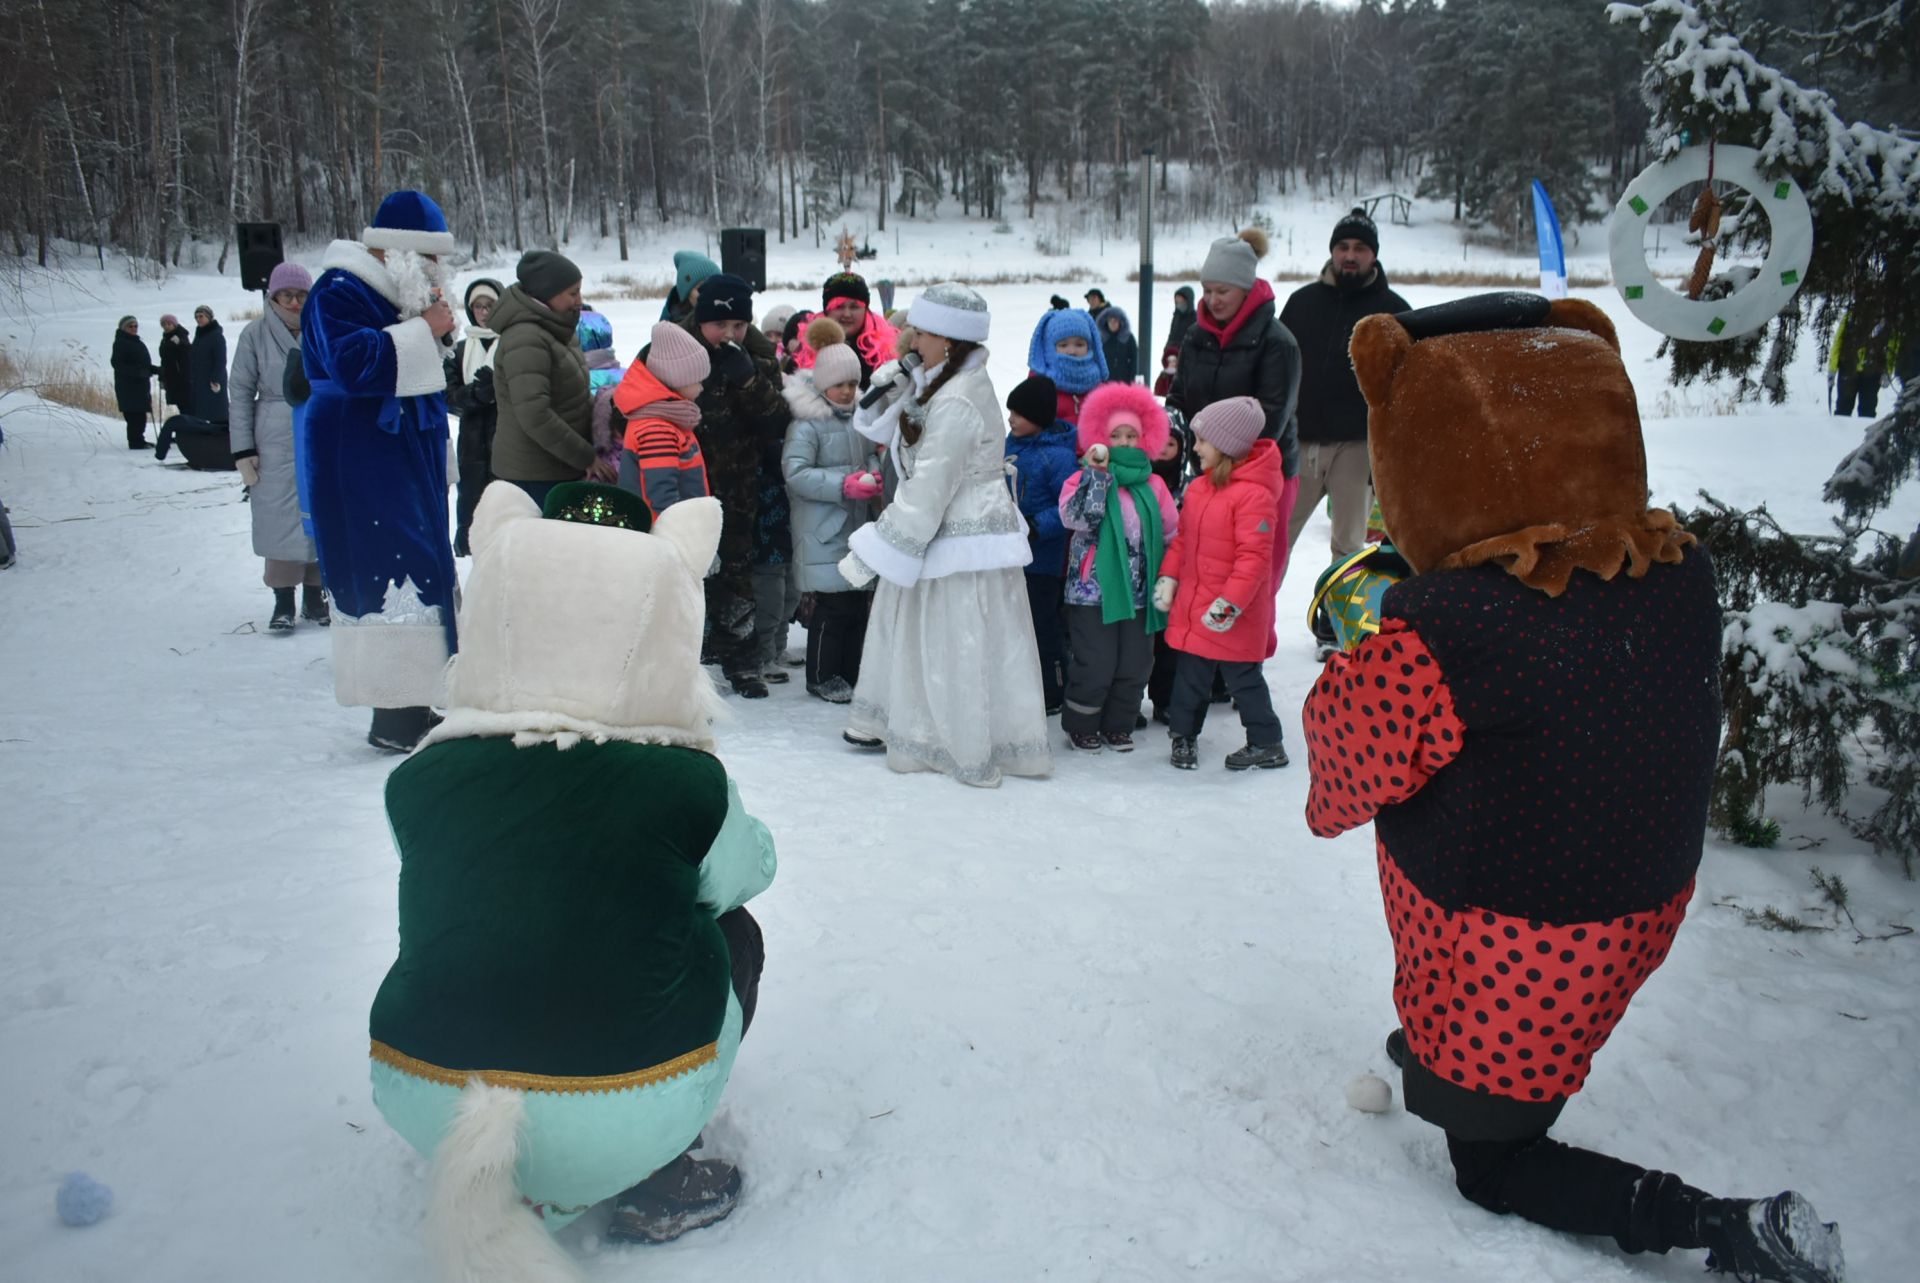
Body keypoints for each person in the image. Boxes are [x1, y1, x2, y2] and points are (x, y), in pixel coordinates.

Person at [1308, 293, 1846, 1283]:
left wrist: (1354, 660)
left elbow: (1342, 783)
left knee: (1493, 1160)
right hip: (1640, 901)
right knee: (1483, 1051)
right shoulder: (1678, 570)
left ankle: (1720, 1223)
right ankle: (1453, 1066)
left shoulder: (1451, 625)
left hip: (1510, 931)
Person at [369, 482, 775, 1275]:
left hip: (425, 1092)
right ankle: (652, 1174)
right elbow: (748, 871)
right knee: (734, 934)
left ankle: (498, 1148)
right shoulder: (680, 783)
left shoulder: (422, 777)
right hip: (618, 1103)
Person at [838, 283, 1052, 787]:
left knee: (955, 635)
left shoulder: (957, 399)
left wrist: (877, 549)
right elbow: (873, 427)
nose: (912, 335)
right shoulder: (936, 381)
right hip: (940, 527)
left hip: (959, 534)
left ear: (950, 340)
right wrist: (895, 380)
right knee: (921, 627)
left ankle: (954, 738)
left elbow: (932, 485)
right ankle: (904, 721)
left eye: (924, 329)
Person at [302, 189, 462, 754]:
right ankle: (394, 713)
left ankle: (420, 697)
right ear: (399, 254)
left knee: (418, 559)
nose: (436, 273)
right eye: (429, 261)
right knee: (385, 567)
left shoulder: (390, 292)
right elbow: (350, 365)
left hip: (394, 450)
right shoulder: (339, 289)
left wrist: (430, 329)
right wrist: (424, 329)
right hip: (357, 453)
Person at [642, 271, 791, 698]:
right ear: (700, 319)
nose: (729, 334)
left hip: (737, 488)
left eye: (739, 326)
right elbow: (629, 405)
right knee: (681, 571)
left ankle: (741, 662)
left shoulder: (755, 359)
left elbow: (777, 420)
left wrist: (749, 379)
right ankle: (682, 657)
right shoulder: (667, 352)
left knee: (736, 575)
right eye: (720, 325)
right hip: (678, 486)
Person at [1280, 207, 1410, 639]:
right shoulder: (1302, 302)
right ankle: (1250, 628)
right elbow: (1280, 368)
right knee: (1276, 539)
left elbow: (1408, 384)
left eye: (1359, 248)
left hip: (1357, 447)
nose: (1350, 256)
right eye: (1343, 247)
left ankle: (1340, 630)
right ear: (1332, 252)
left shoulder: (1392, 311)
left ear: (1374, 255)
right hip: (1299, 443)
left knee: (1349, 548)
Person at [1165, 227, 1302, 631]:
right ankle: (1211, 651)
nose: (1212, 299)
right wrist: (1170, 438)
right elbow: (1179, 396)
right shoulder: (1195, 336)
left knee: (1253, 566)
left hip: (1262, 474)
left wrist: (1223, 460)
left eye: (1222, 290)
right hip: (1206, 469)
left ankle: (1249, 652)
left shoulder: (1278, 343)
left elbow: (1272, 417)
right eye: (1207, 290)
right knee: (1208, 563)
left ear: (1246, 288)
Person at [1152, 396, 1286, 771]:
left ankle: (1267, 742)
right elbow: (1183, 540)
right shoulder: (1199, 489)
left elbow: (1254, 561)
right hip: (1197, 605)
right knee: (1189, 678)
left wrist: (1229, 604)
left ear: (1226, 446)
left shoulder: (1254, 496)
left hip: (1233, 612)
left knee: (1243, 679)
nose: (1194, 448)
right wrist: (1169, 576)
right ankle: (1183, 737)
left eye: (1202, 441)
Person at [1057, 383, 1178, 752]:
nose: (1124, 442)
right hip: (1092, 590)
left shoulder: (1154, 484)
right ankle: (1083, 723)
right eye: (1115, 435)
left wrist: (1169, 575)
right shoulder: (1082, 478)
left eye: (1132, 435)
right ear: (1099, 437)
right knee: (1096, 661)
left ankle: (1119, 723)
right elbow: (1075, 518)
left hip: (1141, 593)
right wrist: (1097, 477)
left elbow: (1173, 532)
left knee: (1136, 664)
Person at [782, 317, 880, 704]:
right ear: (823, 384)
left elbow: (870, 453)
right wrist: (844, 484)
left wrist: (873, 473)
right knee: (832, 606)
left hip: (854, 527)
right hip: (822, 528)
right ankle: (821, 674)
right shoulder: (807, 424)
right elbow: (796, 472)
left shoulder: (857, 419)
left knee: (856, 603)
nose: (847, 391)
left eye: (853, 384)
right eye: (840, 384)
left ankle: (851, 671)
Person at [229, 262, 326, 631]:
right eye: (287, 295)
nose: (295, 303)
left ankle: (316, 598)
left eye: (302, 295)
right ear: (273, 298)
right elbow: (239, 393)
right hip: (272, 435)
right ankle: (283, 599)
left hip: (316, 429)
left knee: (319, 512)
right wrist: (242, 450)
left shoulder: (321, 330)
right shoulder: (254, 334)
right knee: (277, 517)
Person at [488, 251, 605, 507]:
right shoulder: (526, 338)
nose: (579, 301)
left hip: (558, 465)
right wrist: (585, 456)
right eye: (572, 293)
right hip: (534, 475)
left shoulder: (556, 327)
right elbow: (535, 415)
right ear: (545, 294)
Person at [1003, 374, 1078, 715]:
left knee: (1042, 626)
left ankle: (1054, 687)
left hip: (1042, 559)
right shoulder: (1010, 445)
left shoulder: (1057, 457)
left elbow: (1068, 505)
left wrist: (1035, 526)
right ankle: (1020, 682)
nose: (1011, 419)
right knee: (1012, 624)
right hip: (1008, 553)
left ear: (1038, 416)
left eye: (1018, 413)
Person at [617, 321, 712, 518]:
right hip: (666, 534)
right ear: (677, 380)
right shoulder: (657, 429)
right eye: (697, 381)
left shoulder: (668, 420)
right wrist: (684, 532)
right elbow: (661, 497)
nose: (702, 388)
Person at [444, 278, 503, 557]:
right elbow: (448, 397)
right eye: (477, 306)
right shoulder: (459, 350)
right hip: (471, 441)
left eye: (489, 305)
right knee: (474, 506)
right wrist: (476, 394)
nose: (483, 311)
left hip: (505, 438)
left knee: (505, 508)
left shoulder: (509, 344)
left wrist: (497, 389)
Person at [789, 271, 900, 388]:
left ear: (866, 311)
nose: (847, 314)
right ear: (826, 311)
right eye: (839, 307)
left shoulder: (884, 350)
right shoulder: (806, 348)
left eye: (854, 307)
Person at [1026, 307, 1109, 426]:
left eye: (1079, 344)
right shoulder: (1037, 389)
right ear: (1049, 348)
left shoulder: (1101, 392)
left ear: (1090, 347)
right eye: (1063, 345)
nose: (1071, 351)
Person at [110, 316, 159, 450]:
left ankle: (139, 440)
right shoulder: (121, 342)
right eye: (130, 326)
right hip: (128, 386)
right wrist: (139, 372)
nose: (133, 328)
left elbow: (143, 364)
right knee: (134, 415)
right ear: (123, 328)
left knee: (140, 414)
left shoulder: (136, 341)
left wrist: (156, 370)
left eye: (135, 326)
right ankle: (135, 442)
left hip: (140, 385)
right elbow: (117, 364)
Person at [189, 305, 229, 423]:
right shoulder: (199, 335)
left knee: (217, 412)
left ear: (209, 317)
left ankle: (222, 437)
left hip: (213, 380)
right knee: (203, 412)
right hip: (200, 379)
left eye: (201, 316)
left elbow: (221, 360)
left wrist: (215, 379)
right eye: (196, 317)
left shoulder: (216, 335)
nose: (198, 319)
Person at [663, 248, 720, 324]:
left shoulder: (732, 317)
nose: (710, 293)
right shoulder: (672, 332)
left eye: (716, 286)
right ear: (686, 296)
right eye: (701, 288)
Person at [157, 314, 192, 418]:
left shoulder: (180, 336)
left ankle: (189, 431)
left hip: (182, 379)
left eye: (169, 324)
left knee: (187, 406)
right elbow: (164, 360)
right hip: (171, 378)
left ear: (174, 324)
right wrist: (162, 377)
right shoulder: (165, 339)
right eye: (164, 324)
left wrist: (180, 343)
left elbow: (188, 353)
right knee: (180, 406)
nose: (166, 326)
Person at [1097, 304, 1139, 385]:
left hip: (1123, 380)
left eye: (1115, 320)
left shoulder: (1128, 337)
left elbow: (1134, 359)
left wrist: (1132, 379)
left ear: (1120, 322)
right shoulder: (1101, 338)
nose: (1113, 323)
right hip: (1104, 381)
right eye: (1110, 320)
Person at [1165, 284, 1196, 354]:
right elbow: (1171, 337)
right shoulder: (1176, 317)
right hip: (1172, 357)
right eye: (1177, 302)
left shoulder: (1195, 319)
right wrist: (1167, 351)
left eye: (1182, 302)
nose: (1179, 305)